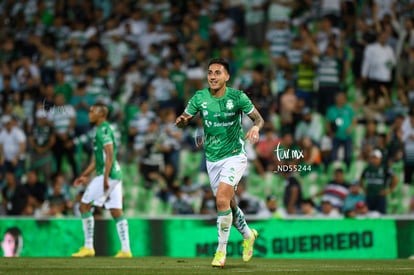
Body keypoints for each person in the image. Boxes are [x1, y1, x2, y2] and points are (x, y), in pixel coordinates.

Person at [175, 58, 264, 268]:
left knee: (222, 200)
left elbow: (259, 119)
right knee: (228, 205)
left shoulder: (238, 97)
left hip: (234, 155)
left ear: (227, 77)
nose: (213, 77)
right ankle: (248, 234)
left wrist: (256, 128)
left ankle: (220, 252)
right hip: (212, 159)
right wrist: (182, 121)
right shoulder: (200, 97)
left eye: (217, 73)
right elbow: (184, 117)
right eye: (210, 73)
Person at [71, 103, 131, 258]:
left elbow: (110, 153)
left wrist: (104, 178)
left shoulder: (103, 129)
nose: (89, 113)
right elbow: (96, 160)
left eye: (92, 111)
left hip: (108, 174)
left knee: (84, 206)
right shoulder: (99, 130)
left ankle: (88, 247)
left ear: (101, 114)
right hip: (115, 175)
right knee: (116, 211)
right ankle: (126, 250)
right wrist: (84, 175)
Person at [359, 149, 398, 214]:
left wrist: (390, 190)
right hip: (370, 195)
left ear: (380, 159)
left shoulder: (385, 168)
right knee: (369, 214)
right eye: (373, 158)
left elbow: (395, 178)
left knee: (381, 215)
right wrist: (364, 189)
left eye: (376, 158)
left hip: (380, 196)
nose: (374, 160)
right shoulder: (368, 168)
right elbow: (361, 178)